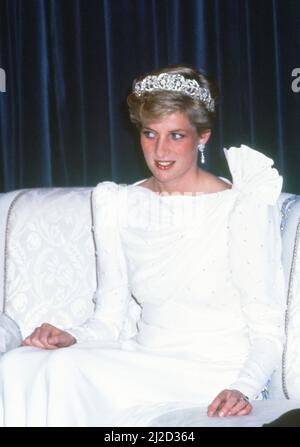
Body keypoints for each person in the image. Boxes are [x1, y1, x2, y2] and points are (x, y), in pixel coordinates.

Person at [0, 64, 285, 427]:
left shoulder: (239, 206)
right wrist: (70, 336)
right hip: (141, 357)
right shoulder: (117, 202)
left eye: (176, 135)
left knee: (60, 375)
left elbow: (267, 328)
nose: (160, 150)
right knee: (17, 365)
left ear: (203, 137)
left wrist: (242, 387)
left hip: (210, 372)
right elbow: (108, 318)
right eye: (150, 134)